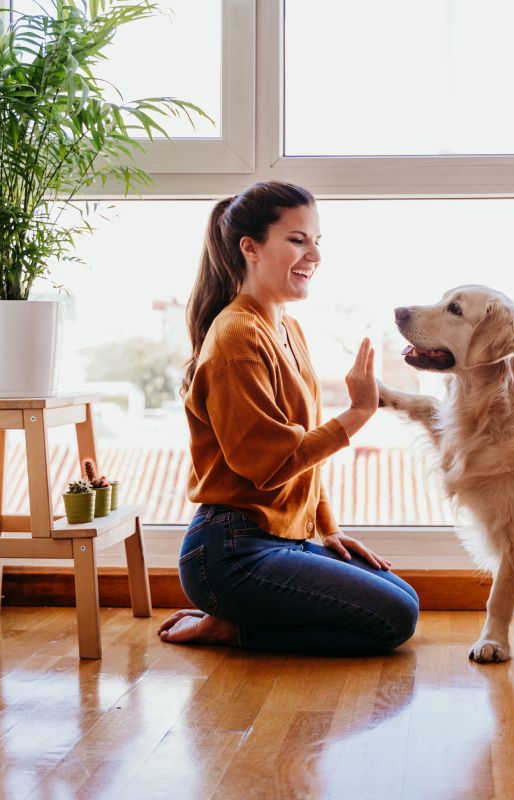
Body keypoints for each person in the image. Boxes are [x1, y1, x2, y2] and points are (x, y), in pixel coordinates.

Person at [158, 181, 419, 655]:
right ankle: (231, 627)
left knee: (404, 597)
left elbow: (302, 458)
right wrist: (360, 411)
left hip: (282, 538)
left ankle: (238, 619)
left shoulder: (286, 327)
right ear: (250, 248)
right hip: (229, 552)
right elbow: (270, 465)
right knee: (394, 619)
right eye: (298, 240)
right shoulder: (237, 337)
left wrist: (327, 527)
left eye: (317, 241)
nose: (314, 255)